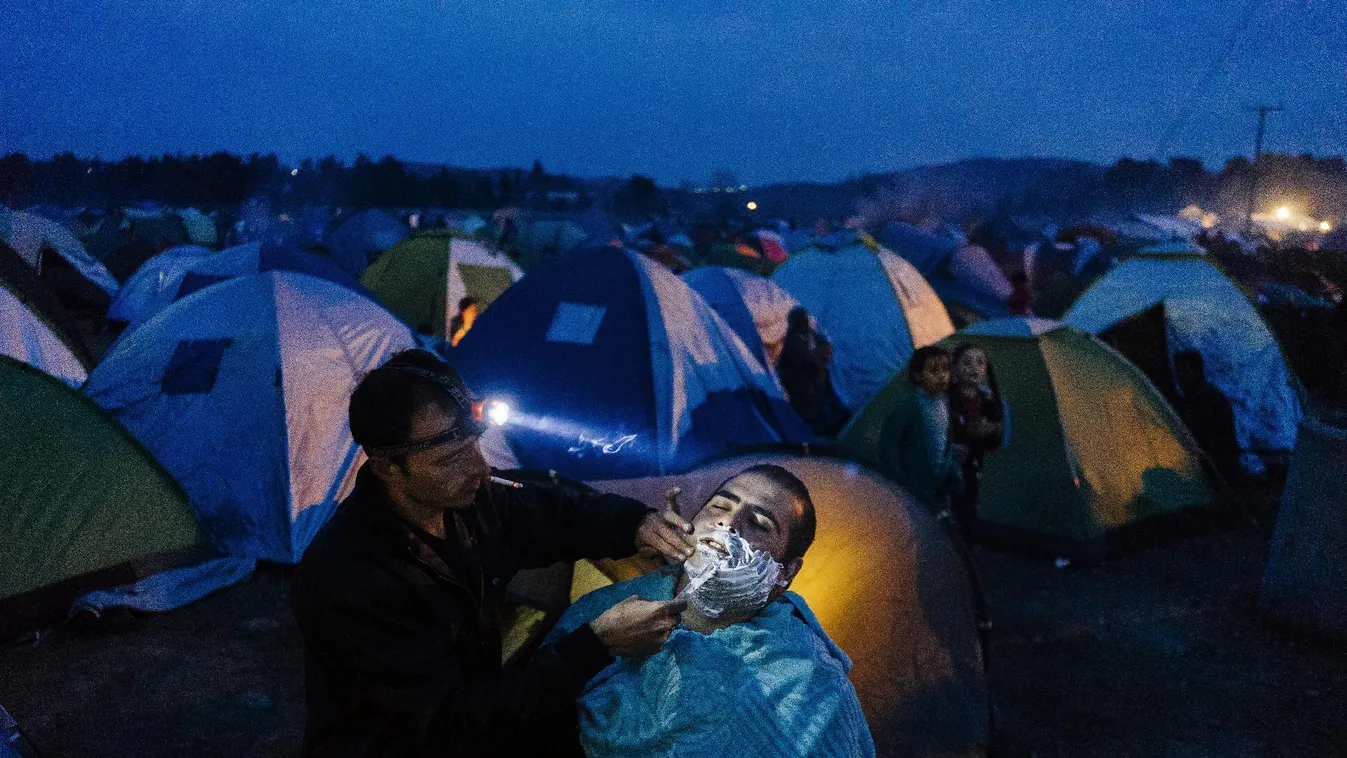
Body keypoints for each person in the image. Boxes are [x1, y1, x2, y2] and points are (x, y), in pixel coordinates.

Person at [291, 349, 699, 757]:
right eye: (450, 458)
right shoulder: (349, 579)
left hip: (476, 708)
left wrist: (636, 524)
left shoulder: (468, 502)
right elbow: (449, 724)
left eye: (476, 443)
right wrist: (593, 646)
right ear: (386, 467)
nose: (480, 468)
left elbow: (558, 515)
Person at [546, 465, 875, 757]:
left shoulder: (813, 688)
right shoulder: (606, 609)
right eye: (719, 505)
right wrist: (592, 646)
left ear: (785, 573)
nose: (729, 522)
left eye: (759, 524)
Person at [878, 346, 964, 510]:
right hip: (914, 484)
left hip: (939, 483)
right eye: (933, 371)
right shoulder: (910, 404)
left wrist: (951, 460)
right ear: (918, 375)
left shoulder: (944, 402)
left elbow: (943, 439)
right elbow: (889, 446)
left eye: (945, 369)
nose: (941, 376)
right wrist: (899, 481)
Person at [948, 344, 1003, 543]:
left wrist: (990, 406)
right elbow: (960, 427)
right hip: (958, 458)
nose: (974, 368)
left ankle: (970, 535)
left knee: (973, 495)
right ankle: (960, 537)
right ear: (955, 368)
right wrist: (980, 429)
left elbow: (996, 423)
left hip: (977, 457)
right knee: (959, 497)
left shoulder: (985, 396)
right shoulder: (951, 397)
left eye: (980, 363)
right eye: (966, 363)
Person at [776, 307, 850, 437]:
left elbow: (824, 346)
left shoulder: (809, 335)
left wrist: (821, 355)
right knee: (819, 420)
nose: (806, 324)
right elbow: (807, 361)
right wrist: (819, 357)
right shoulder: (793, 341)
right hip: (807, 390)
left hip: (818, 385)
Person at [1171, 350, 1241, 484]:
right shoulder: (1186, 400)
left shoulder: (1211, 400)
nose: (1179, 377)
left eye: (1183, 371)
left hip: (1216, 470)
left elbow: (1214, 440)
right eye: (1177, 372)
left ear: (1196, 371)